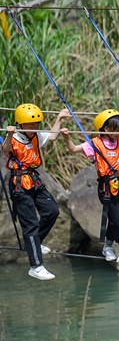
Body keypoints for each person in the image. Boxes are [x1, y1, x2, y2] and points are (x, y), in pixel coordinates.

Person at [61, 108, 119, 264]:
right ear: (105, 129)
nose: (118, 132)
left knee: (118, 220)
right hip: (107, 189)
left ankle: (108, 246)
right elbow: (73, 149)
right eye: (114, 129)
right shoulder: (95, 144)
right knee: (117, 220)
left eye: (118, 129)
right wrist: (66, 137)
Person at [2, 104, 65, 280]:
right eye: (30, 125)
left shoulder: (36, 136)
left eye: (36, 124)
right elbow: (5, 149)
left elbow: (52, 136)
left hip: (34, 180)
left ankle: (36, 242)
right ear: (20, 124)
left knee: (52, 210)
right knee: (30, 225)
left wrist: (59, 118)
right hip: (19, 183)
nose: (34, 128)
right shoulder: (13, 138)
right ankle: (36, 266)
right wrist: (9, 133)